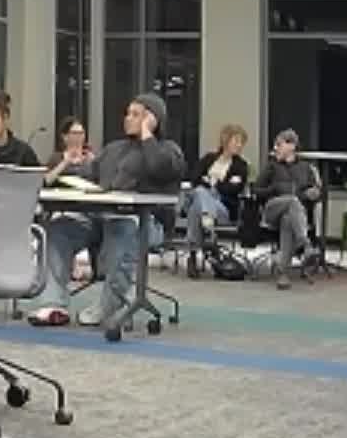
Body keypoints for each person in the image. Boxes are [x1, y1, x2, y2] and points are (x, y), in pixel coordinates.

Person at [25, 92, 185, 328]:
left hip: (144, 222)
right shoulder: (114, 149)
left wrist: (147, 135)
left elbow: (159, 167)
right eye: (128, 114)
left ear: (153, 119)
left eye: (136, 115)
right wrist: (63, 173)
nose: (128, 118)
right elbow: (88, 175)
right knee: (56, 232)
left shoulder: (168, 150)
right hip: (100, 216)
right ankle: (54, 304)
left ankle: (109, 304)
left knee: (122, 229)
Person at [254, 128, 322, 290]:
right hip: (272, 209)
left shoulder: (306, 168)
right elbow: (256, 190)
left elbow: (316, 193)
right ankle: (304, 244)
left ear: (292, 146)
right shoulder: (271, 166)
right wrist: (274, 188)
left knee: (288, 220)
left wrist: (312, 194)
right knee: (292, 201)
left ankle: (283, 274)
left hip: (294, 214)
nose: (275, 148)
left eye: (279, 144)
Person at [184, 123, 251, 249]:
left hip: (223, 208)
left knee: (197, 204)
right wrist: (218, 184)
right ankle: (208, 226)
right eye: (236, 141)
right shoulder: (209, 158)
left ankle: (193, 251)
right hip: (205, 202)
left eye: (242, 142)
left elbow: (234, 190)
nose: (239, 145)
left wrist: (211, 183)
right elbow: (195, 178)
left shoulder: (241, 166)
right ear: (226, 140)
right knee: (200, 194)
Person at [45, 116, 96, 184]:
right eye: (75, 133)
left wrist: (94, 162)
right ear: (65, 136)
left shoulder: (90, 157)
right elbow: (47, 181)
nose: (79, 136)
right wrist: (65, 163)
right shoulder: (56, 158)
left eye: (81, 133)